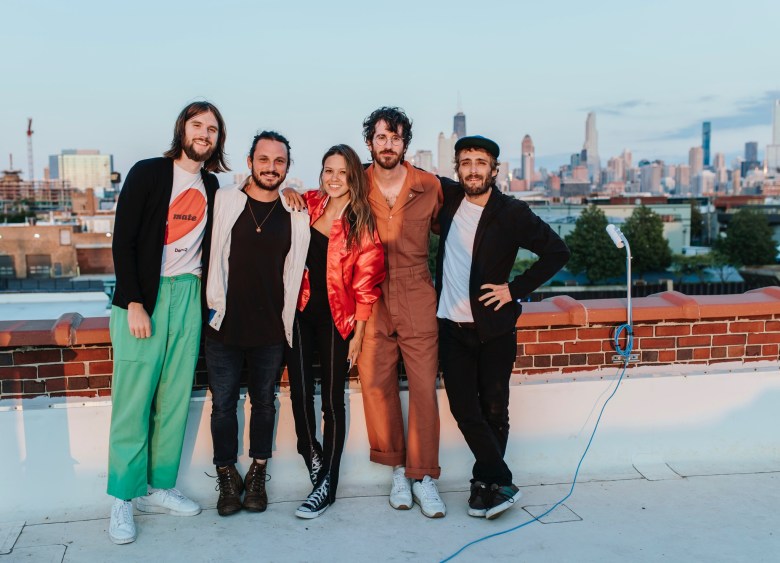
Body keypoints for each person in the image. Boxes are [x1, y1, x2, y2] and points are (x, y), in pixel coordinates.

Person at [107, 101, 228, 544]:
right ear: (182, 129)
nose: (204, 134)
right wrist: (135, 302)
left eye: (212, 129)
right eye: (198, 125)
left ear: (218, 139)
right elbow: (123, 239)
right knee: (133, 400)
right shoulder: (148, 173)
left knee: (175, 398)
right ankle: (122, 498)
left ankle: (159, 487)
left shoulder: (214, 185)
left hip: (189, 295)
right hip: (146, 297)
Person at [435, 135, 570, 519]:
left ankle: (485, 483)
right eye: (466, 161)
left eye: (481, 162)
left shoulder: (511, 212)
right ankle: (502, 477)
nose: (473, 169)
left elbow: (557, 251)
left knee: (495, 409)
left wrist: (514, 289)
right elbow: (399, 174)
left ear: (495, 169)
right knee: (465, 409)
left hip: (494, 329)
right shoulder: (448, 199)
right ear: (457, 168)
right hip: (450, 327)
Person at [204, 131, 309, 517]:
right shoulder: (225, 200)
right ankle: (227, 476)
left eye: (279, 161)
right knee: (223, 406)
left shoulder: (296, 212)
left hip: (270, 328)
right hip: (223, 325)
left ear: (287, 167)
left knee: (265, 402)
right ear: (250, 162)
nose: (271, 167)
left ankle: (259, 472)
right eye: (264, 159)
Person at [285, 144, 386, 519]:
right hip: (297, 312)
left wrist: (358, 333)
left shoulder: (362, 221)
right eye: (329, 170)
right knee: (299, 391)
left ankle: (327, 482)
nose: (335, 178)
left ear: (354, 177)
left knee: (330, 399)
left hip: (335, 318)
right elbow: (279, 206)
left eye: (343, 172)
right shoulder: (308, 203)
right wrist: (286, 192)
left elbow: (366, 283)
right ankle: (309, 451)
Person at [360, 107, 445, 518]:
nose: (387, 145)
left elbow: (458, 230)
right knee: (377, 385)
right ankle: (397, 469)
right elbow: (318, 207)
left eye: (395, 138)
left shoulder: (428, 186)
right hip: (370, 293)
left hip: (416, 290)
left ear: (404, 143)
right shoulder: (355, 183)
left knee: (424, 386)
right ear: (370, 142)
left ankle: (424, 475)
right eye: (381, 138)